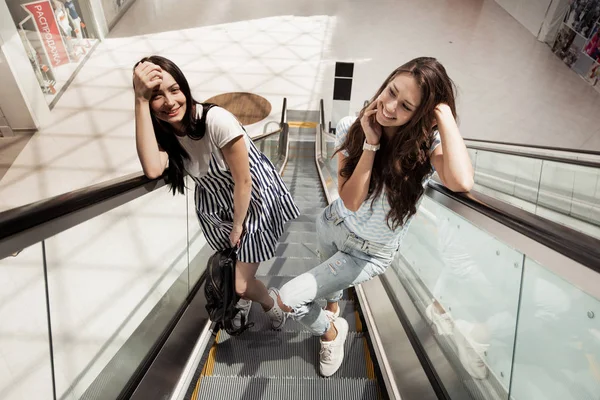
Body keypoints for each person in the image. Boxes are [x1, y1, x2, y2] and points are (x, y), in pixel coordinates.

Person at [269, 57, 474, 377]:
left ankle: (331, 332)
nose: (390, 107)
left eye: (406, 106)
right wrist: (371, 144)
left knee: (286, 299)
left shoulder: (425, 146)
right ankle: (333, 312)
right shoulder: (353, 126)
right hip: (333, 224)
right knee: (328, 287)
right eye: (391, 91)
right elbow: (350, 201)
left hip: (368, 253)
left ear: (424, 115)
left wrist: (445, 114)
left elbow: (461, 181)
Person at [132, 55, 299, 330]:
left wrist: (237, 226)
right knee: (233, 267)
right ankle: (247, 295)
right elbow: (152, 168)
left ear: (185, 88)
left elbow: (244, 181)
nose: (170, 102)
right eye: (155, 96)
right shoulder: (167, 134)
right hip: (215, 206)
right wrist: (139, 99)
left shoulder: (216, 120)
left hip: (251, 204)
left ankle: (271, 304)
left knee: (240, 283)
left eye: (175, 90)